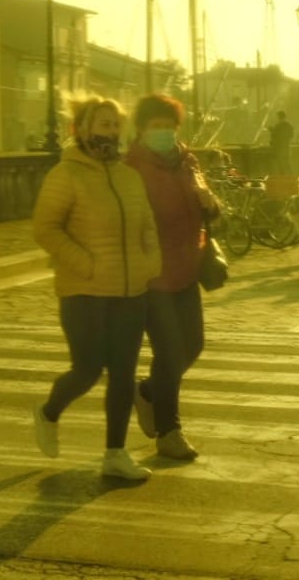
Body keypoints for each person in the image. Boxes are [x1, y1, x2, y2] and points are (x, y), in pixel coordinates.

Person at [31, 98, 162, 481]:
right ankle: (49, 412)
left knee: (123, 375)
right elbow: (46, 229)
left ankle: (115, 454)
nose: (109, 131)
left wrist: (149, 263)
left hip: (130, 292)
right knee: (87, 371)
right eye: (102, 124)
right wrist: (86, 264)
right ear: (82, 129)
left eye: (114, 125)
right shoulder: (65, 175)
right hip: (83, 293)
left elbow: (147, 225)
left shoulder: (128, 176)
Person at [124, 94, 217, 462]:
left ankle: (147, 393)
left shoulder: (187, 161)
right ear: (142, 130)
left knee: (193, 344)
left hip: (186, 267)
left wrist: (212, 203)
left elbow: (206, 210)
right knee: (170, 351)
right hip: (152, 274)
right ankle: (169, 431)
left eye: (168, 126)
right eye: (156, 126)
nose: (163, 133)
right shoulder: (131, 166)